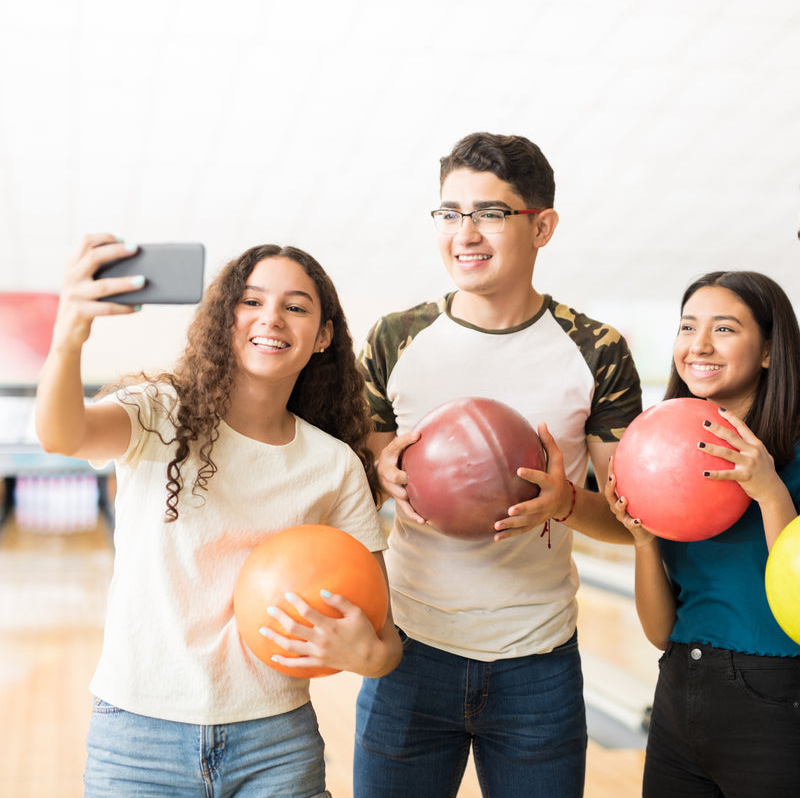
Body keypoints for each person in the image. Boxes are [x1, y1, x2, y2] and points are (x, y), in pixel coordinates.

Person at [35, 234, 402, 798]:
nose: (271, 318)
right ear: (223, 317)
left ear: (323, 336)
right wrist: (68, 337)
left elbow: (385, 642)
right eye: (250, 301)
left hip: (275, 742)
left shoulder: (334, 465)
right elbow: (62, 435)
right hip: (138, 735)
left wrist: (367, 656)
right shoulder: (159, 412)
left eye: (296, 307)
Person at [352, 132, 643, 798]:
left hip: (537, 664)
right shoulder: (395, 339)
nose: (464, 232)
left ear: (541, 226)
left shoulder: (595, 349)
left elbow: (633, 523)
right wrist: (381, 474)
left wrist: (566, 501)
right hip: (408, 653)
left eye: (489, 212)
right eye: (450, 213)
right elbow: (353, 486)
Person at [606, 270, 800, 798]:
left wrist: (769, 492)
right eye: (688, 327)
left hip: (776, 702)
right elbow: (661, 632)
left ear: (768, 351)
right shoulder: (667, 458)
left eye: (725, 329)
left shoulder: (796, 458)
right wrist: (643, 539)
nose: (700, 345)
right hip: (679, 692)